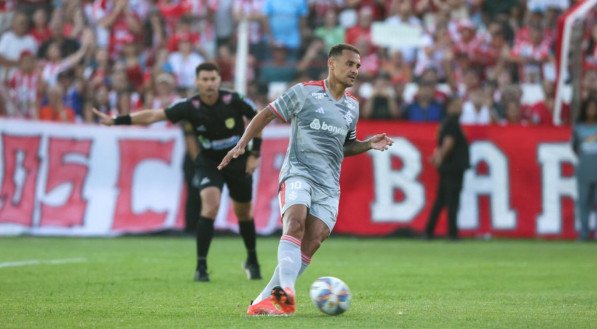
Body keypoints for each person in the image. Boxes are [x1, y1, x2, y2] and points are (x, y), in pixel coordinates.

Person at [218, 43, 394, 316]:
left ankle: (265, 300)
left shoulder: (352, 107)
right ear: (331, 64)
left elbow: (344, 147)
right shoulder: (305, 92)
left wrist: (368, 144)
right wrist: (242, 144)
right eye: (350, 64)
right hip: (298, 172)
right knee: (295, 222)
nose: (355, 70)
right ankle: (287, 295)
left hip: (329, 184)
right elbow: (266, 113)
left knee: (314, 239)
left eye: (358, 66)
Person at [93, 62, 263, 282]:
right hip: (209, 162)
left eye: (213, 79)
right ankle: (201, 267)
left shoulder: (234, 100)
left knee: (243, 213)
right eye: (205, 79)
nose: (210, 83)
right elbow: (154, 115)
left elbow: (259, 118)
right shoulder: (189, 106)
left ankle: (252, 258)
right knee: (210, 205)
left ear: (219, 80)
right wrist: (116, 120)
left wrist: (254, 154)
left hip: (237, 161)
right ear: (197, 82)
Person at [424, 97, 470, 240]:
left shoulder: (446, 122)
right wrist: (440, 158)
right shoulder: (452, 122)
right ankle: (452, 233)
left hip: (448, 167)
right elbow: (448, 143)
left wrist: (438, 156)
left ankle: (429, 231)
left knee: (441, 201)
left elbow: (443, 143)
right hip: (453, 168)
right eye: (457, 105)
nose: (460, 108)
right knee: (452, 201)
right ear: (449, 107)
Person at [571, 97, 597, 241]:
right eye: (590, 107)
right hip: (584, 170)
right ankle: (584, 233)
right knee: (584, 203)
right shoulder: (579, 128)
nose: (592, 110)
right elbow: (575, 148)